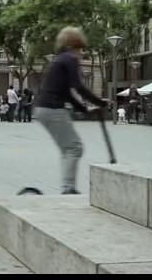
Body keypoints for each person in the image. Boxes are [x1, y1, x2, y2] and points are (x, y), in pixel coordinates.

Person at [35, 27, 108, 195]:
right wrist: (99, 102)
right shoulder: (69, 59)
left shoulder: (61, 59)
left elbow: (67, 93)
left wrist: (85, 109)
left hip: (43, 108)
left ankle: (67, 186)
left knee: (67, 149)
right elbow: (78, 87)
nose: (82, 54)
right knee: (74, 147)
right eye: (81, 49)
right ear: (76, 43)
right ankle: (68, 189)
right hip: (52, 108)